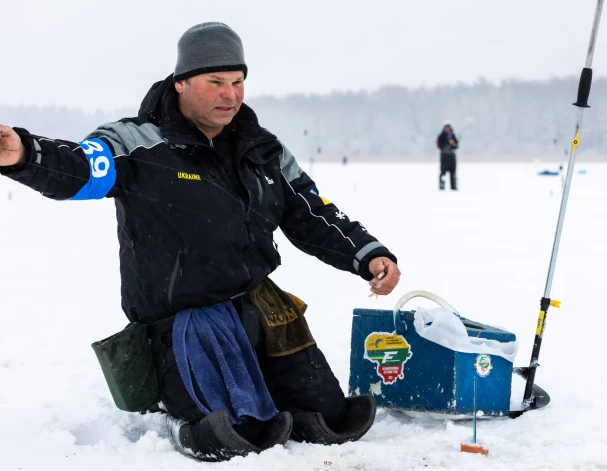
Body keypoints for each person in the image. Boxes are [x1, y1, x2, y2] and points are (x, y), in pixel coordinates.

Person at [0, 22, 400, 461]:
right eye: (215, 83)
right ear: (181, 83)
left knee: (326, 418)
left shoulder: (262, 149)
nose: (230, 95)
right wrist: (24, 154)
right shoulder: (135, 142)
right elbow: (80, 169)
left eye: (237, 82)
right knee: (231, 433)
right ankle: (171, 401)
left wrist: (367, 254)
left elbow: (310, 211)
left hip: (259, 309)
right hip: (180, 324)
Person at [436, 122, 459, 190]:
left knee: (453, 173)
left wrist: (453, 143)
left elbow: (457, 145)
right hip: (444, 157)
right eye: (446, 127)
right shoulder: (441, 136)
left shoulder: (453, 136)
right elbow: (438, 145)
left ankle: (453, 187)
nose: (447, 129)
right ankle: (442, 187)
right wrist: (446, 145)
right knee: (443, 173)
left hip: (452, 157)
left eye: (448, 127)